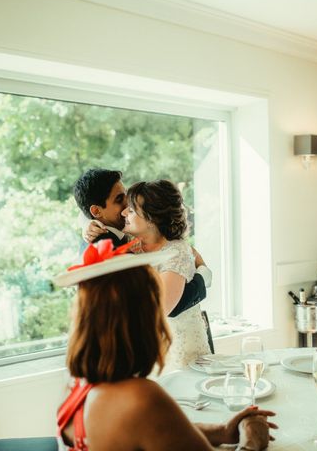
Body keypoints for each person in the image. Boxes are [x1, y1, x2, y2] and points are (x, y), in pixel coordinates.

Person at [54, 243, 277, 451]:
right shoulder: (142, 399)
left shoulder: (75, 385)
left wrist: (223, 431)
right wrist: (251, 440)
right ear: (143, 320)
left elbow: (153, 431)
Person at [73, 168, 209, 318]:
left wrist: (85, 222)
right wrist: (201, 280)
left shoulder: (123, 232)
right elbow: (162, 308)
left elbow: (182, 251)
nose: (126, 205)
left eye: (126, 196)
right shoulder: (105, 247)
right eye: (119, 199)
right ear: (97, 212)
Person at [122, 180, 210, 369]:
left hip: (180, 352)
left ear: (151, 217)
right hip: (149, 354)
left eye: (130, 210)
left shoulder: (177, 251)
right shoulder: (131, 247)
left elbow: (159, 310)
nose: (123, 213)